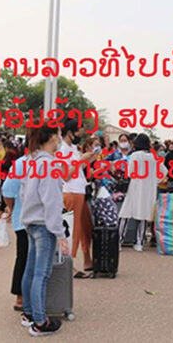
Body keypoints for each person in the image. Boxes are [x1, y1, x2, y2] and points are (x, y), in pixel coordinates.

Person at [19, 124, 69, 337]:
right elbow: (52, 201)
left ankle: (29, 313)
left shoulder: (32, 162)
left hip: (31, 222)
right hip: (44, 224)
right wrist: (60, 233)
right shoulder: (49, 165)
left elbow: (24, 192)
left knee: (31, 271)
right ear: (51, 138)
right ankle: (40, 321)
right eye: (58, 135)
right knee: (41, 274)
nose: (60, 139)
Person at [60, 119, 96, 277]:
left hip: (79, 190)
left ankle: (79, 260)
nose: (80, 136)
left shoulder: (72, 148)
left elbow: (77, 168)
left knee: (82, 228)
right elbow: (66, 175)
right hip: (71, 191)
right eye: (79, 132)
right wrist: (81, 160)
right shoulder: (63, 150)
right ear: (70, 132)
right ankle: (69, 264)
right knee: (73, 230)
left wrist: (88, 160)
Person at [119, 134, 167, 252]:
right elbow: (164, 171)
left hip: (135, 187)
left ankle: (118, 241)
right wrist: (155, 180)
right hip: (149, 190)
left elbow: (129, 172)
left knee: (125, 214)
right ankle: (139, 243)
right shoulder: (153, 157)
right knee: (144, 216)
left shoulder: (135, 155)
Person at [2, 149, 30, 312]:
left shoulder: (21, 163)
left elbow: (7, 191)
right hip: (27, 220)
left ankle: (25, 295)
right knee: (25, 257)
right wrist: (13, 209)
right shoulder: (22, 163)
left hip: (27, 219)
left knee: (25, 257)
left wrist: (13, 208)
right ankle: (21, 295)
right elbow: (7, 190)